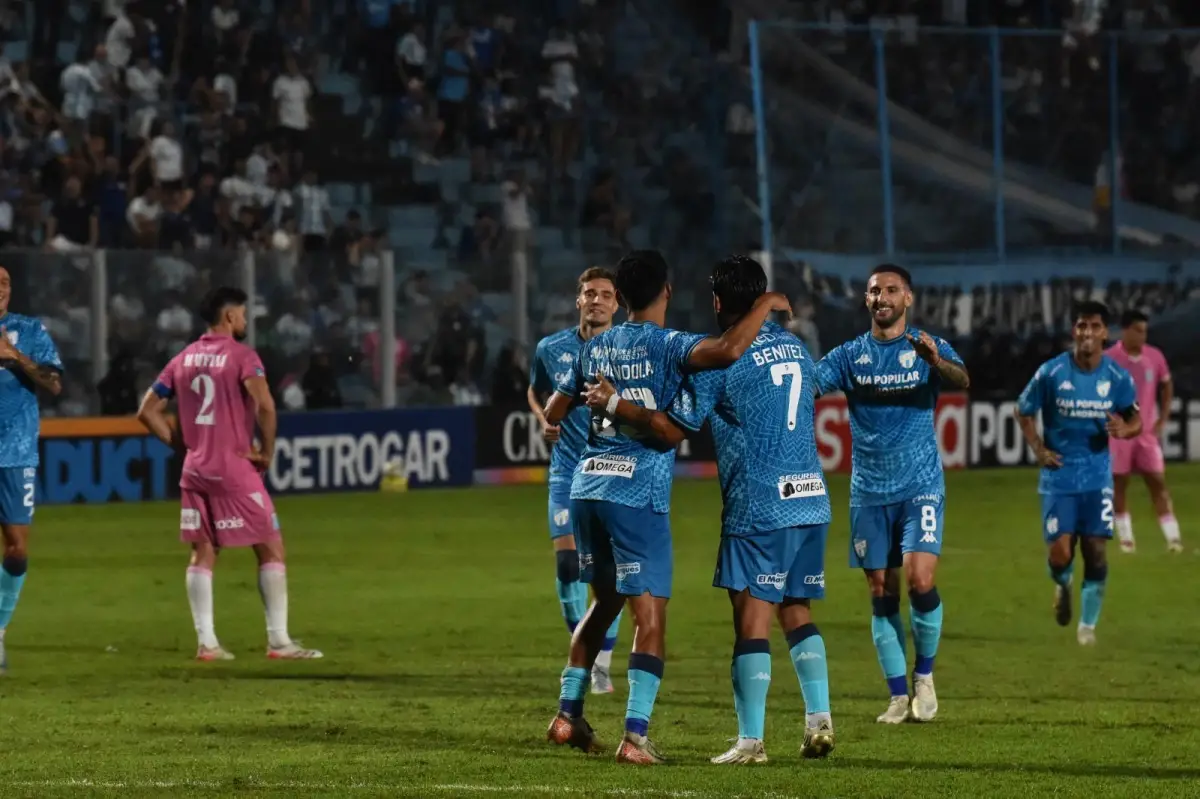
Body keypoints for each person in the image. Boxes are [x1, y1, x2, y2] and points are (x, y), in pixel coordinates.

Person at [580, 255, 835, 764]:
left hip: (758, 505)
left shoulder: (723, 361)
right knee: (797, 610)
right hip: (810, 497)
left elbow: (674, 430)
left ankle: (751, 741)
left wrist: (615, 405)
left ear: (718, 302)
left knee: (751, 624)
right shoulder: (797, 348)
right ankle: (819, 719)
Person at [814, 264, 969, 724]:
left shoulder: (925, 346)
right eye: (874, 290)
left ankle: (924, 676)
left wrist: (935, 362)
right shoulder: (849, 355)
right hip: (868, 490)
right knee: (881, 590)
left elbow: (963, 379)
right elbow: (810, 384)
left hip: (920, 484)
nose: (881, 296)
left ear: (908, 299)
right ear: (867, 300)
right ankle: (898, 695)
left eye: (891, 290)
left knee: (920, 579)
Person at [137, 287, 322, 662]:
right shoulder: (243, 357)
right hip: (233, 466)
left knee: (203, 551)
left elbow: (146, 410)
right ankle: (279, 642)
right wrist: (267, 452)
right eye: (242, 314)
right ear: (229, 318)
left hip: (195, 469)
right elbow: (267, 407)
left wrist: (183, 445)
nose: (245, 320)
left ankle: (207, 643)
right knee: (270, 544)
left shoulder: (183, 358)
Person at [1016, 300, 1140, 647]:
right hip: (1058, 476)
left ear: (1105, 333)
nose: (1087, 332)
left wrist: (1126, 430)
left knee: (1097, 551)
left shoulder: (1117, 378)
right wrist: (1038, 449)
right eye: (1081, 326)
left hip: (1098, 476)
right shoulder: (1052, 372)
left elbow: (1135, 419)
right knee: (1060, 553)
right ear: (1075, 331)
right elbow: (1023, 409)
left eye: (1094, 326)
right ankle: (1064, 582)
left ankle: (1087, 627)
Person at [527, 267, 624, 694]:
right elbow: (536, 391)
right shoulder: (552, 348)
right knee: (568, 566)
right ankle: (582, 650)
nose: (597, 300)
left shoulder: (628, 350)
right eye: (590, 293)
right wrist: (543, 421)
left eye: (606, 294)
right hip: (567, 471)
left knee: (612, 573)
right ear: (578, 301)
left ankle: (599, 661)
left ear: (617, 304)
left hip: (612, 474)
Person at [0, 266, 64, 674]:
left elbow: (54, 383)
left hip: (16, 452)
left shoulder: (28, 329)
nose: (0, 290)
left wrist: (14, 355)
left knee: (17, 549)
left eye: (4, 283)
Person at [1105, 310, 1181, 554]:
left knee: (1157, 482)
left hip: (1146, 434)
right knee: (1120, 484)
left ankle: (1173, 539)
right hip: (1119, 434)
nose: (1142, 335)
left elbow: (1167, 384)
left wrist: (1163, 418)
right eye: (1138, 330)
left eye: (1144, 331)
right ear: (1125, 331)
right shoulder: (1109, 359)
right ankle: (1127, 540)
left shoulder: (1154, 357)